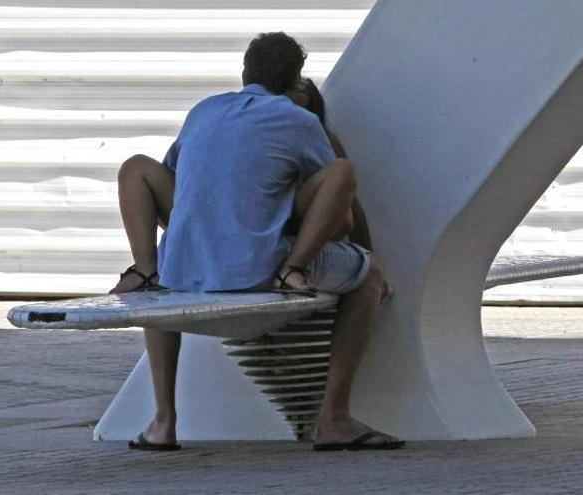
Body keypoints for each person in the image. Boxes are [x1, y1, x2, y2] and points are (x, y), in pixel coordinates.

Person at [114, 32, 403, 451]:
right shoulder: (302, 123)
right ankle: (334, 418)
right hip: (260, 266)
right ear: (296, 82)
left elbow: (177, 179)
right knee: (366, 266)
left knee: (135, 169)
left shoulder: (204, 110)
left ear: (244, 73)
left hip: (183, 266)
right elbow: (344, 211)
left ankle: (162, 417)